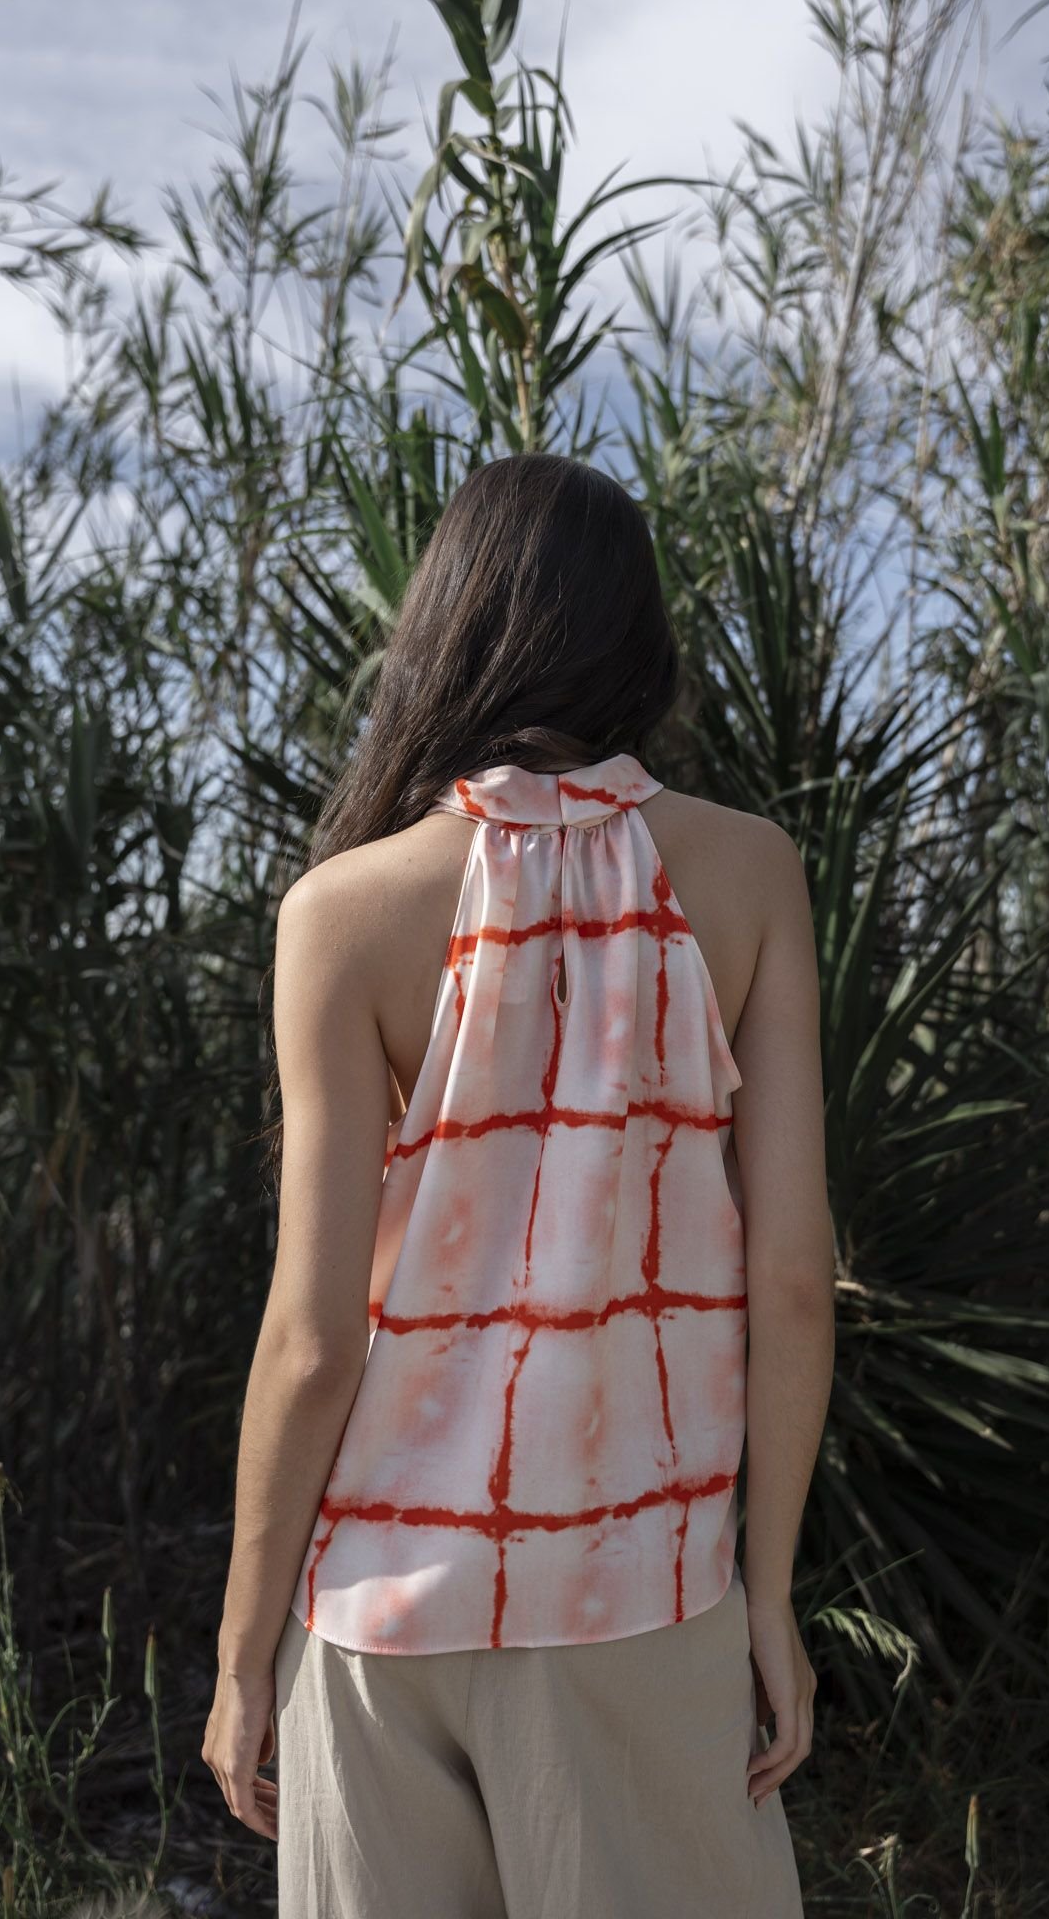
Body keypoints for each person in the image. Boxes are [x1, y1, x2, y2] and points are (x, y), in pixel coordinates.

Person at [202, 452, 836, 1916]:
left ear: (444, 627)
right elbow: (795, 1277)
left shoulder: (341, 912)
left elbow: (312, 1341)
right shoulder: (748, 874)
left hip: (377, 1607)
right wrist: (768, 1595)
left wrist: (241, 1654)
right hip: (642, 1592)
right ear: (640, 643)